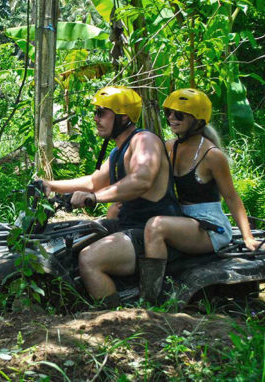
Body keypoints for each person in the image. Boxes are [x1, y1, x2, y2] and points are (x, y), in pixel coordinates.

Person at [42, 86, 181, 307]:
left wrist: (94, 197)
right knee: (73, 237)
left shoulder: (144, 140)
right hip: (129, 224)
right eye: (95, 112)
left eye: (102, 112)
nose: (96, 118)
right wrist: (50, 185)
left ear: (123, 116)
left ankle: (114, 317)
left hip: (149, 232)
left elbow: (141, 180)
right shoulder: (119, 150)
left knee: (89, 259)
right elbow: (92, 182)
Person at [143, 88, 265, 303]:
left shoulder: (212, 155)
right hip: (181, 218)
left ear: (197, 120)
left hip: (209, 225)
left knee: (156, 226)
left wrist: (248, 238)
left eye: (179, 114)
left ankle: (152, 299)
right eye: (169, 113)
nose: (172, 118)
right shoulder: (169, 146)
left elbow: (231, 197)